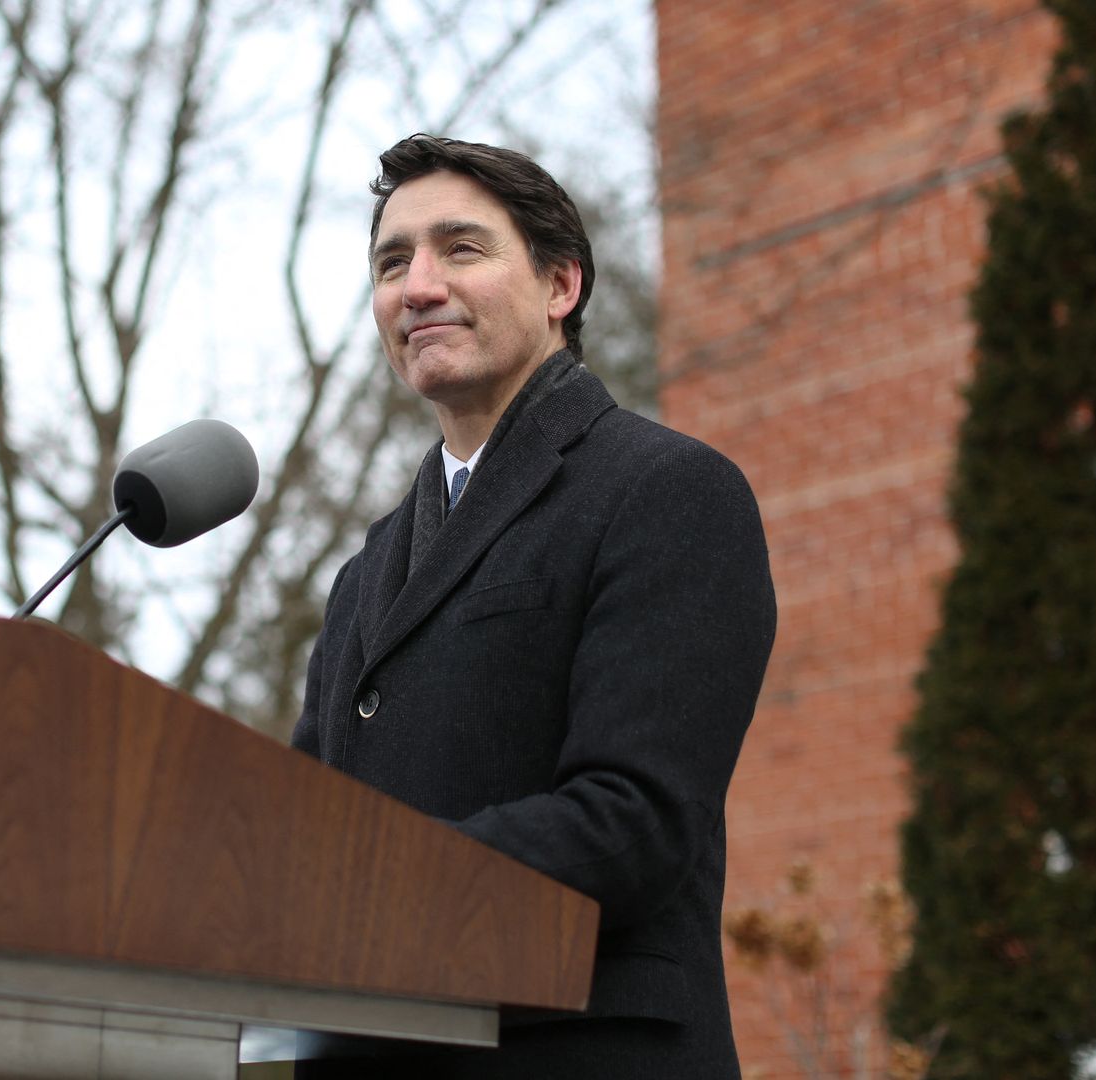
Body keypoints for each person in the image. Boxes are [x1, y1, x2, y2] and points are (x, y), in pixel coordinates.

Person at [290, 134, 776, 1078]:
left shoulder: (667, 490)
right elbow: (304, 837)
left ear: (561, 285)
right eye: (392, 263)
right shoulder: (363, 572)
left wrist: (362, 886)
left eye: (460, 249)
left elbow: (632, 823)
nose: (417, 286)